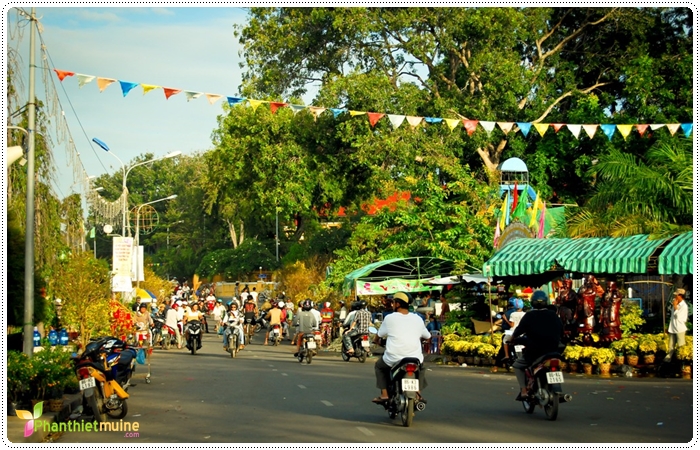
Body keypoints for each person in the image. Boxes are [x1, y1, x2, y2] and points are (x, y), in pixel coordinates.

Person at [372, 292, 430, 404]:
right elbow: (427, 336)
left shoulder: (389, 318)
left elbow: (378, 335)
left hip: (393, 358)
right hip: (415, 358)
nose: (392, 305)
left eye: (393, 302)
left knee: (379, 366)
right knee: (421, 368)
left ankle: (384, 395)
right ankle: (418, 392)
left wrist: (376, 341)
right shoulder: (417, 319)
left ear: (397, 304)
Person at [511, 290, 563, 401]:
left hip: (535, 351)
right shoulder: (554, 316)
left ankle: (524, 390)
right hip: (554, 351)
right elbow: (562, 331)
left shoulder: (529, 315)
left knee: (517, 365)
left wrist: (512, 338)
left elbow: (518, 331)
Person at [664, 288, 689, 362]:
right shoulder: (676, 303)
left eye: (676, 295)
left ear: (680, 296)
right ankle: (668, 359)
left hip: (680, 328)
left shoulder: (684, 306)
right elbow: (672, 316)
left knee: (681, 345)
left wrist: (675, 306)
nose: (675, 297)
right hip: (673, 327)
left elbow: (678, 317)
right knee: (671, 345)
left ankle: (682, 361)